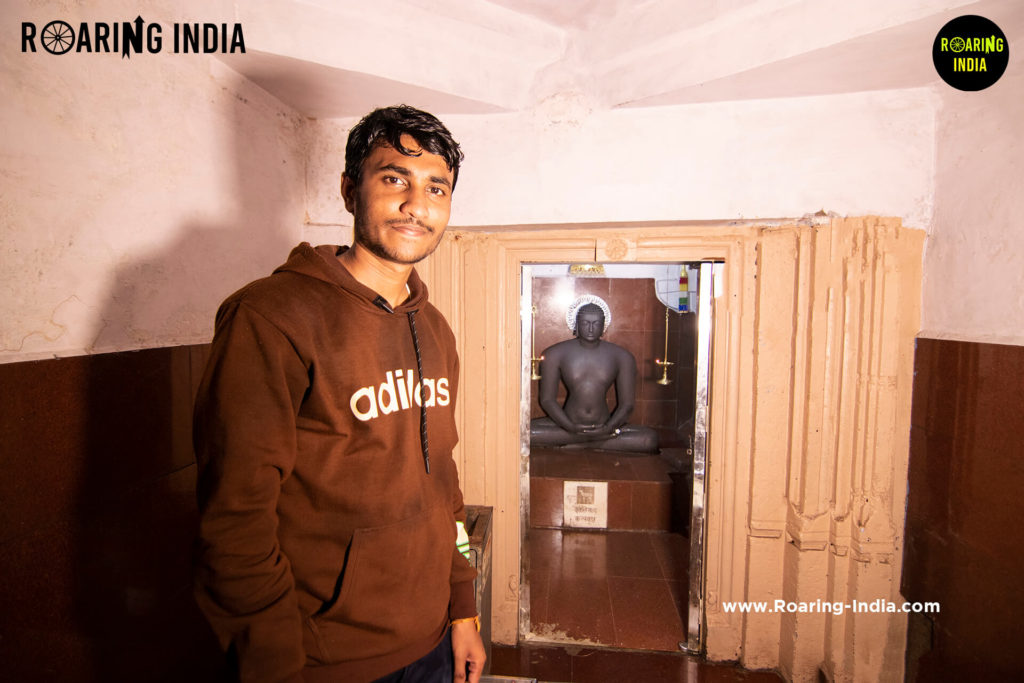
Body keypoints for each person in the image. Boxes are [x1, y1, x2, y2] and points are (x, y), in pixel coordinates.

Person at [192, 105, 485, 683]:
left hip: (430, 643)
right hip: (324, 659)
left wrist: (463, 606)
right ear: (350, 190)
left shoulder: (435, 328)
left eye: (436, 187)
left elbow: (442, 481)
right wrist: (270, 661)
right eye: (394, 178)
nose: (415, 205)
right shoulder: (271, 317)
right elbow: (235, 515)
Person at [530, 296, 659, 453]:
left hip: (604, 425)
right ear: (576, 325)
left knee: (650, 439)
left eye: (596, 323)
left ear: (604, 326)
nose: (590, 328)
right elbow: (547, 400)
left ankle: (582, 443)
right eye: (585, 323)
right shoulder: (555, 353)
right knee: (525, 433)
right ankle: (594, 442)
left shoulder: (622, 356)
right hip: (566, 425)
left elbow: (627, 405)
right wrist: (569, 427)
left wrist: (609, 428)